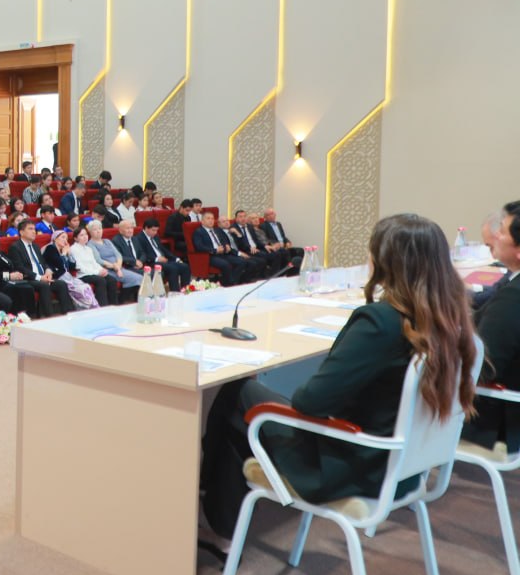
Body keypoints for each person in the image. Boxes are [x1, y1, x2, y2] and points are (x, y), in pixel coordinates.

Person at [200, 213, 477, 540]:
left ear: (385, 260)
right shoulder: (447, 319)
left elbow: (310, 402)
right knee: (249, 401)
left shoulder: (380, 322)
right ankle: (220, 509)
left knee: (239, 392)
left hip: (350, 463)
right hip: (404, 465)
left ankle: (216, 510)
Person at [461, 201, 520, 453]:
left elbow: (483, 367)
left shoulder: (513, 298)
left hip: (496, 423)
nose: (496, 237)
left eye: (502, 232)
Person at [7, 220, 75, 316]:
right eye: (30, 229)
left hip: (43, 277)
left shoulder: (35, 246)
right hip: (29, 279)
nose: (34, 231)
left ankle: (68, 314)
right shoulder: (15, 247)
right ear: (21, 232)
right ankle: (49, 317)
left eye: (34, 229)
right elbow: (19, 268)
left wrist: (48, 271)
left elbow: (43, 262)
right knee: (44, 285)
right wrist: (40, 278)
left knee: (61, 284)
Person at [42, 230, 98, 310]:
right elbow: (60, 264)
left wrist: (69, 254)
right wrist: (64, 254)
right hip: (57, 277)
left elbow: (72, 266)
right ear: (55, 239)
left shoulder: (62, 250)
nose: (65, 240)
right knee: (81, 289)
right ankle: (84, 309)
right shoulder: (50, 248)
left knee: (86, 287)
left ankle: (92, 308)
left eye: (66, 238)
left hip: (67, 277)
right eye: (63, 237)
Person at [134, 217, 192, 292]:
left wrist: (175, 258)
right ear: (146, 228)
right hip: (151, 262)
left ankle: (185, 290)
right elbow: (142, 254)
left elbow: (163, 249)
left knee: (185, 266)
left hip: (163, 260)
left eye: (156, 230)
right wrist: (156, 259)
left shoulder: (155, 236)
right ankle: (175, 292)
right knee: (173, 268)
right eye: (153, 230)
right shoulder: (138, 238)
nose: (155, 232)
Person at [192, 211, 247, 287]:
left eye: (212, 219)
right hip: (210, 255)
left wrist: (226, 245)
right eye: (208, 218)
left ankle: (231, 282)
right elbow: (199, 246)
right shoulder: (199, 231)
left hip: (223, 253)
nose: (211, 220)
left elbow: (223, 240)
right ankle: (229, 283)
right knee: (225, 264)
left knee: (241, 261)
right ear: (202, 221)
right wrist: (215, 250)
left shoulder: (217, 230)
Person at [69, 226, 116, 306]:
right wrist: (97, 272)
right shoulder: (73, 249)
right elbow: (79, 267)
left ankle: (114, 305)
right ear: (76, 238)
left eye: (86, 234)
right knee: (101, 280)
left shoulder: (88, 249)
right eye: (81, 235)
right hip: (83, 275)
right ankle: (102, 306)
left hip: (94, 273)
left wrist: (102, 270)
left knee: (112, 280)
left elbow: (94, 263)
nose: (85, 237)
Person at [259, 207, 304, 273]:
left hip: (284, 246)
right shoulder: (263, 226)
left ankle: (297, 272)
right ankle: (288, 272)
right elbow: (266, 239)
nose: (272, 216)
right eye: (269, 214)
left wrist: (287, 242)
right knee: (284, 252)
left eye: (272, 213)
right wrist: (277, 243)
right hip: (276, 247)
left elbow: (283, 236)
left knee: (300, 250)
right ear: (265, 217)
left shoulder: (278, 224)